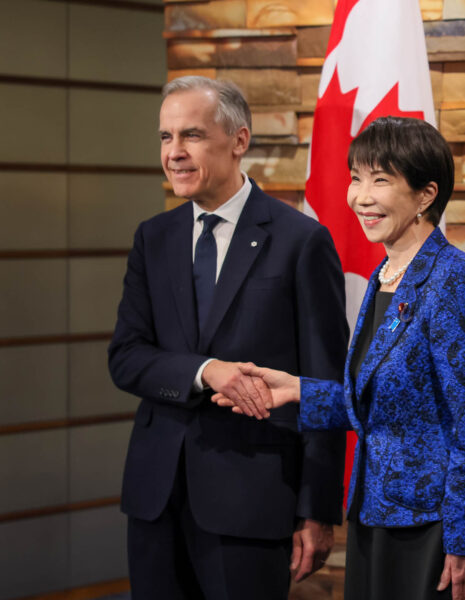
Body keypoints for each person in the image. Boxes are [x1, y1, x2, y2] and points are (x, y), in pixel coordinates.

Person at [213, 116, 465, 600]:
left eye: (380, 180)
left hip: (434, 525)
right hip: (376, 512)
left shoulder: (455, 279)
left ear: (426, 195)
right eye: (356, 178)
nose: (360, 197)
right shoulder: (386, 274)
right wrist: (298, 390)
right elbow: (386, 403)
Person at [108, 76, 350, 599]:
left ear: (239, 140)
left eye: (191, 135)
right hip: (155, 499)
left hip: (252, 502)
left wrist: (317, 509)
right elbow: (126, 357)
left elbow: (325, 382)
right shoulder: (153, 238)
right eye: (166, 137)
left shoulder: (301, 241)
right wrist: (205, 371)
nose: (174, 152)